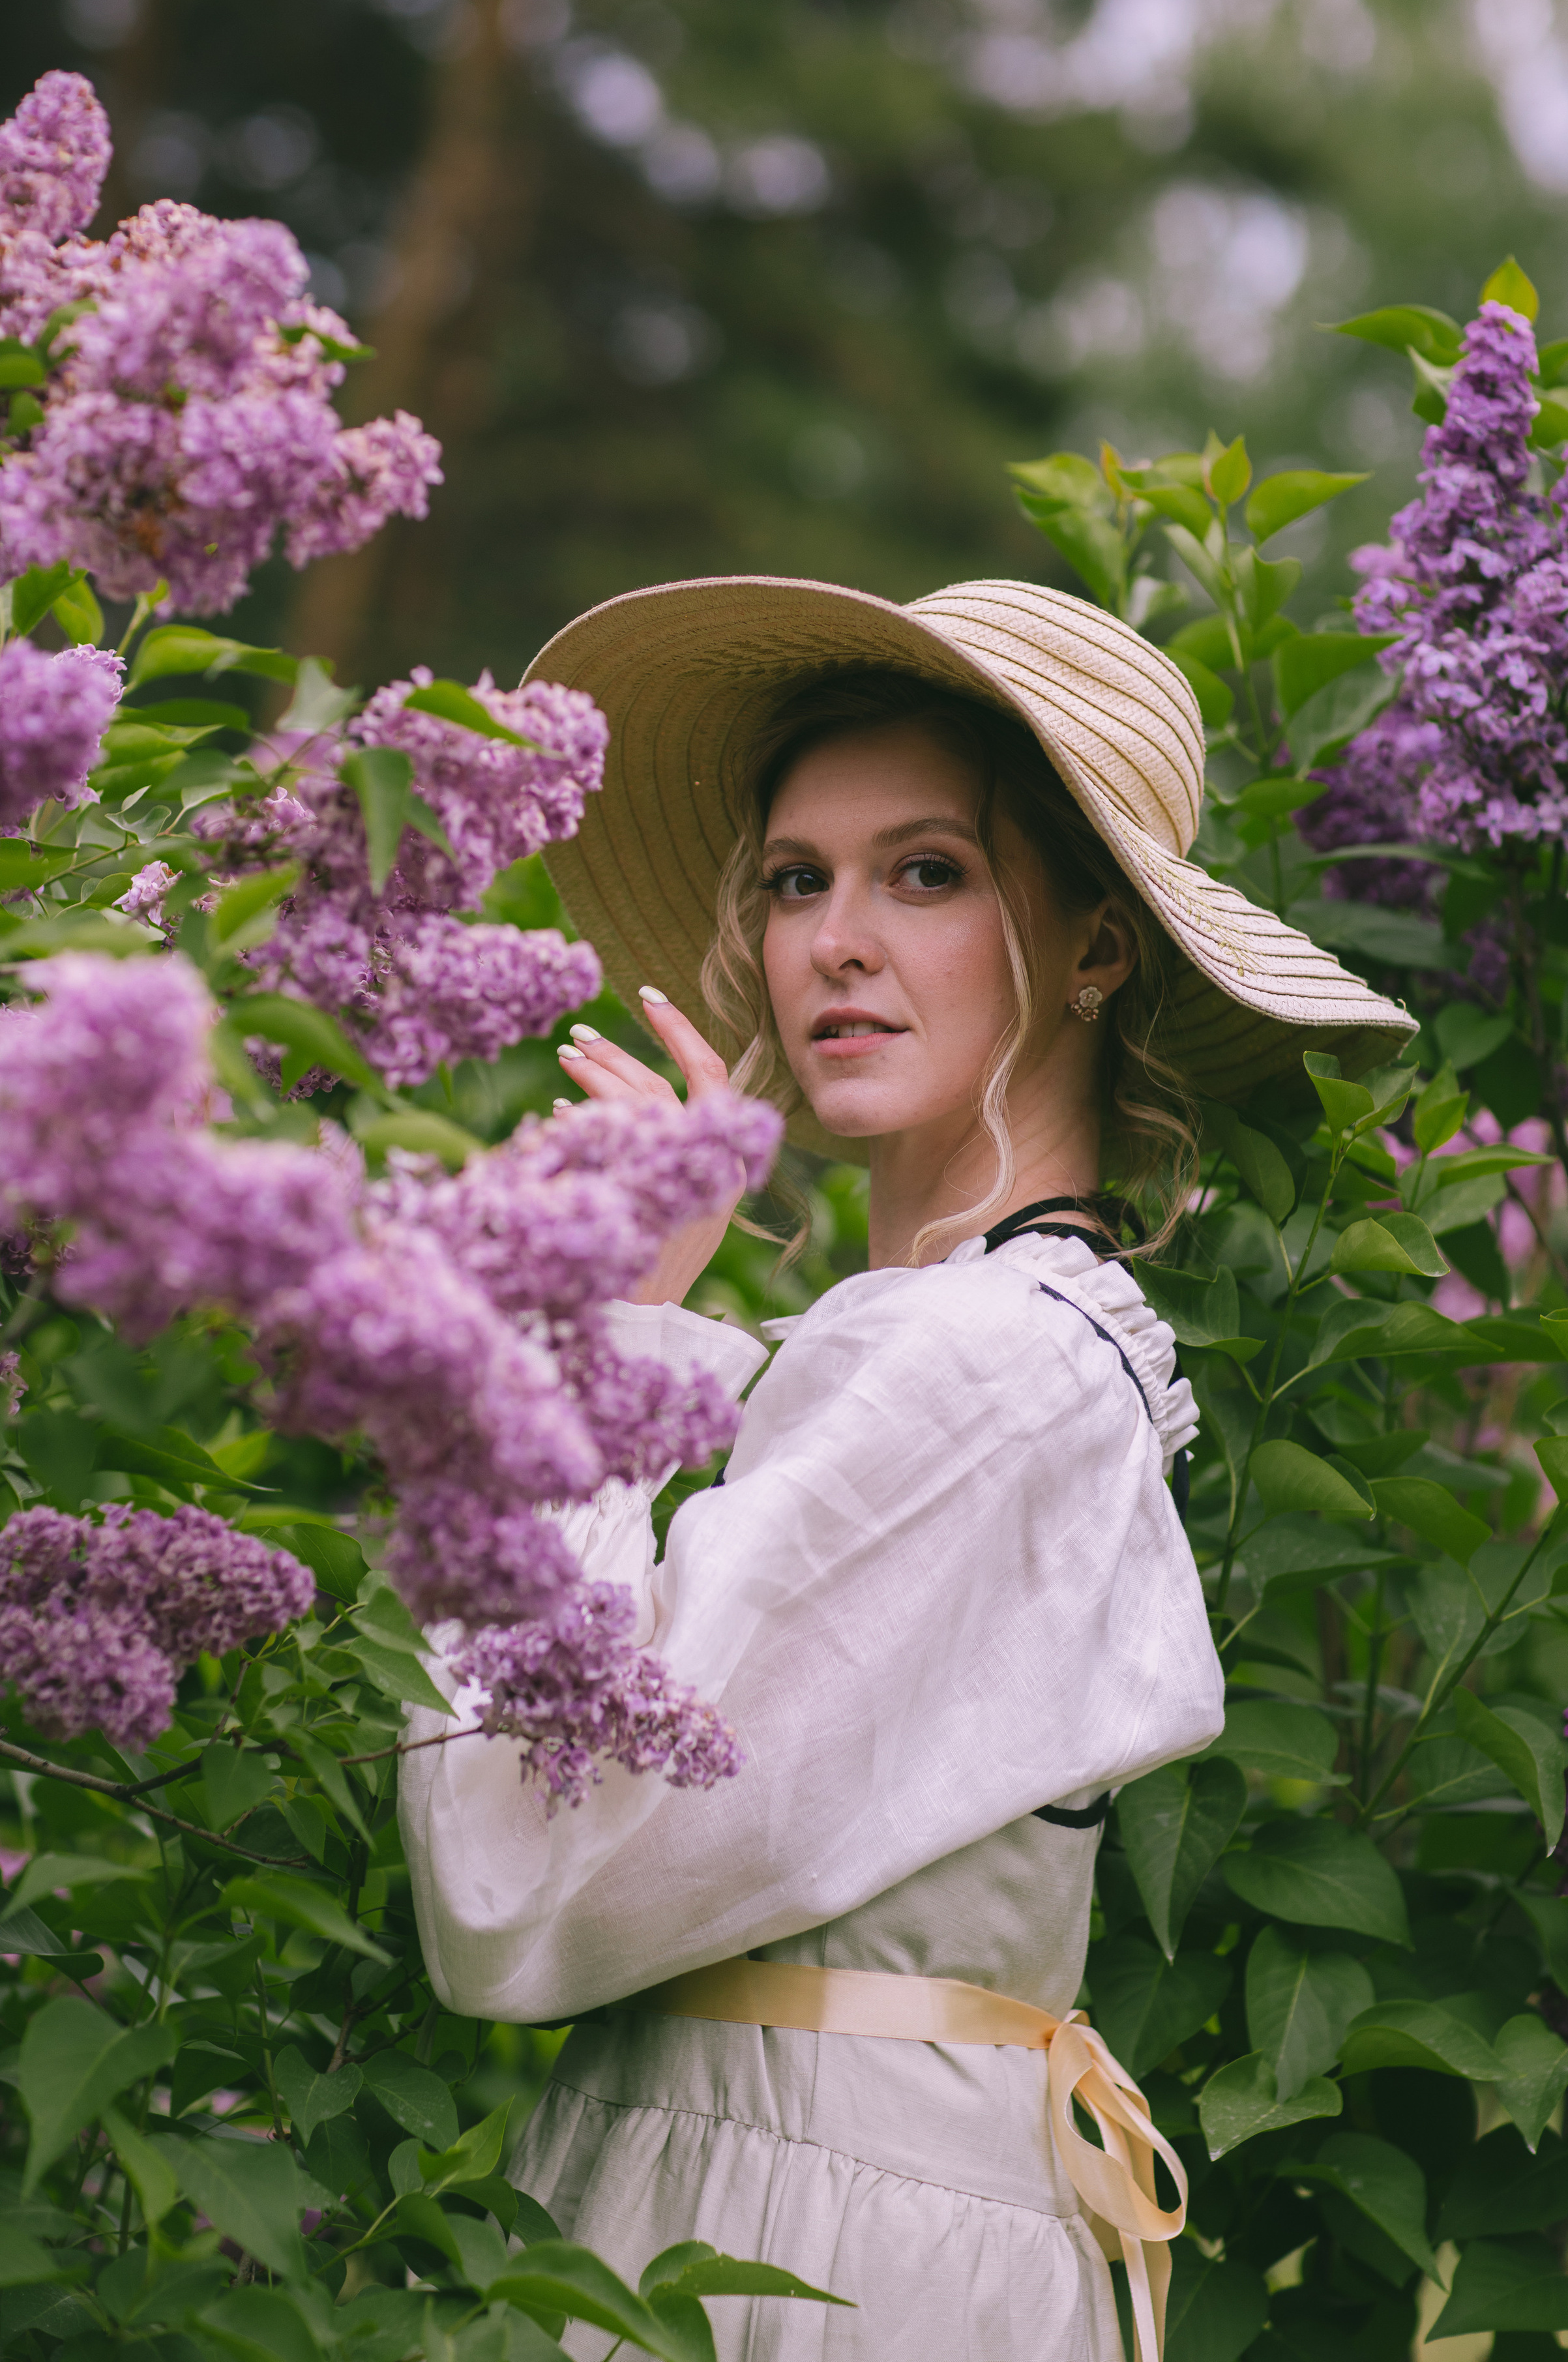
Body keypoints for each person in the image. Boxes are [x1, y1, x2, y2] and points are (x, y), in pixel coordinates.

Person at [399, 577, 1414, 2361]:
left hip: (810, 2254)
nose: (837, 941)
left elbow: (521, 1888)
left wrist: (611, 1340)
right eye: (799, 879)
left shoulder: (978, 1364)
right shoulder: (974, 1345)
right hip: (795, 2200)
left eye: (927, 873)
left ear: (1097, 947)